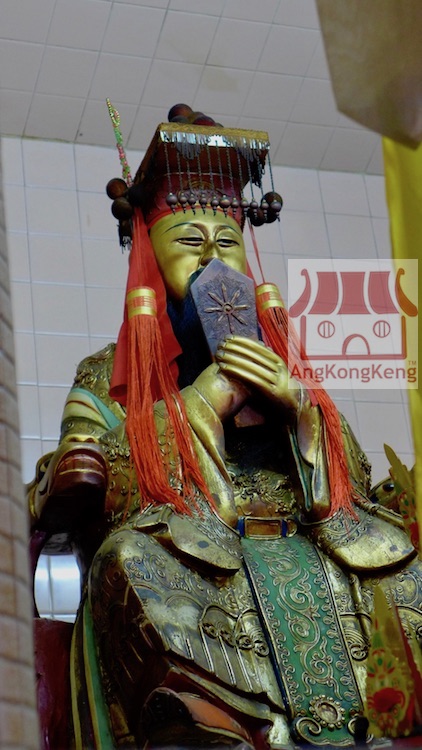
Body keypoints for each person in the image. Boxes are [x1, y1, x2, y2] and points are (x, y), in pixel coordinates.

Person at [29, 106, 422, 750]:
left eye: (228, 242)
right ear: (150, 258)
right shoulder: (107, 373)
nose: (214, 258)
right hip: (196, 555)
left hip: (310, 543)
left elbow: (357, 483)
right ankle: (214, 719)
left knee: (405, 566)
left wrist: (300, 407)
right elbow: (98, 483)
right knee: (126, 562)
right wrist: (202, 401)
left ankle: (378, 716)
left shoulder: (284, 362)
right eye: (190, 242)